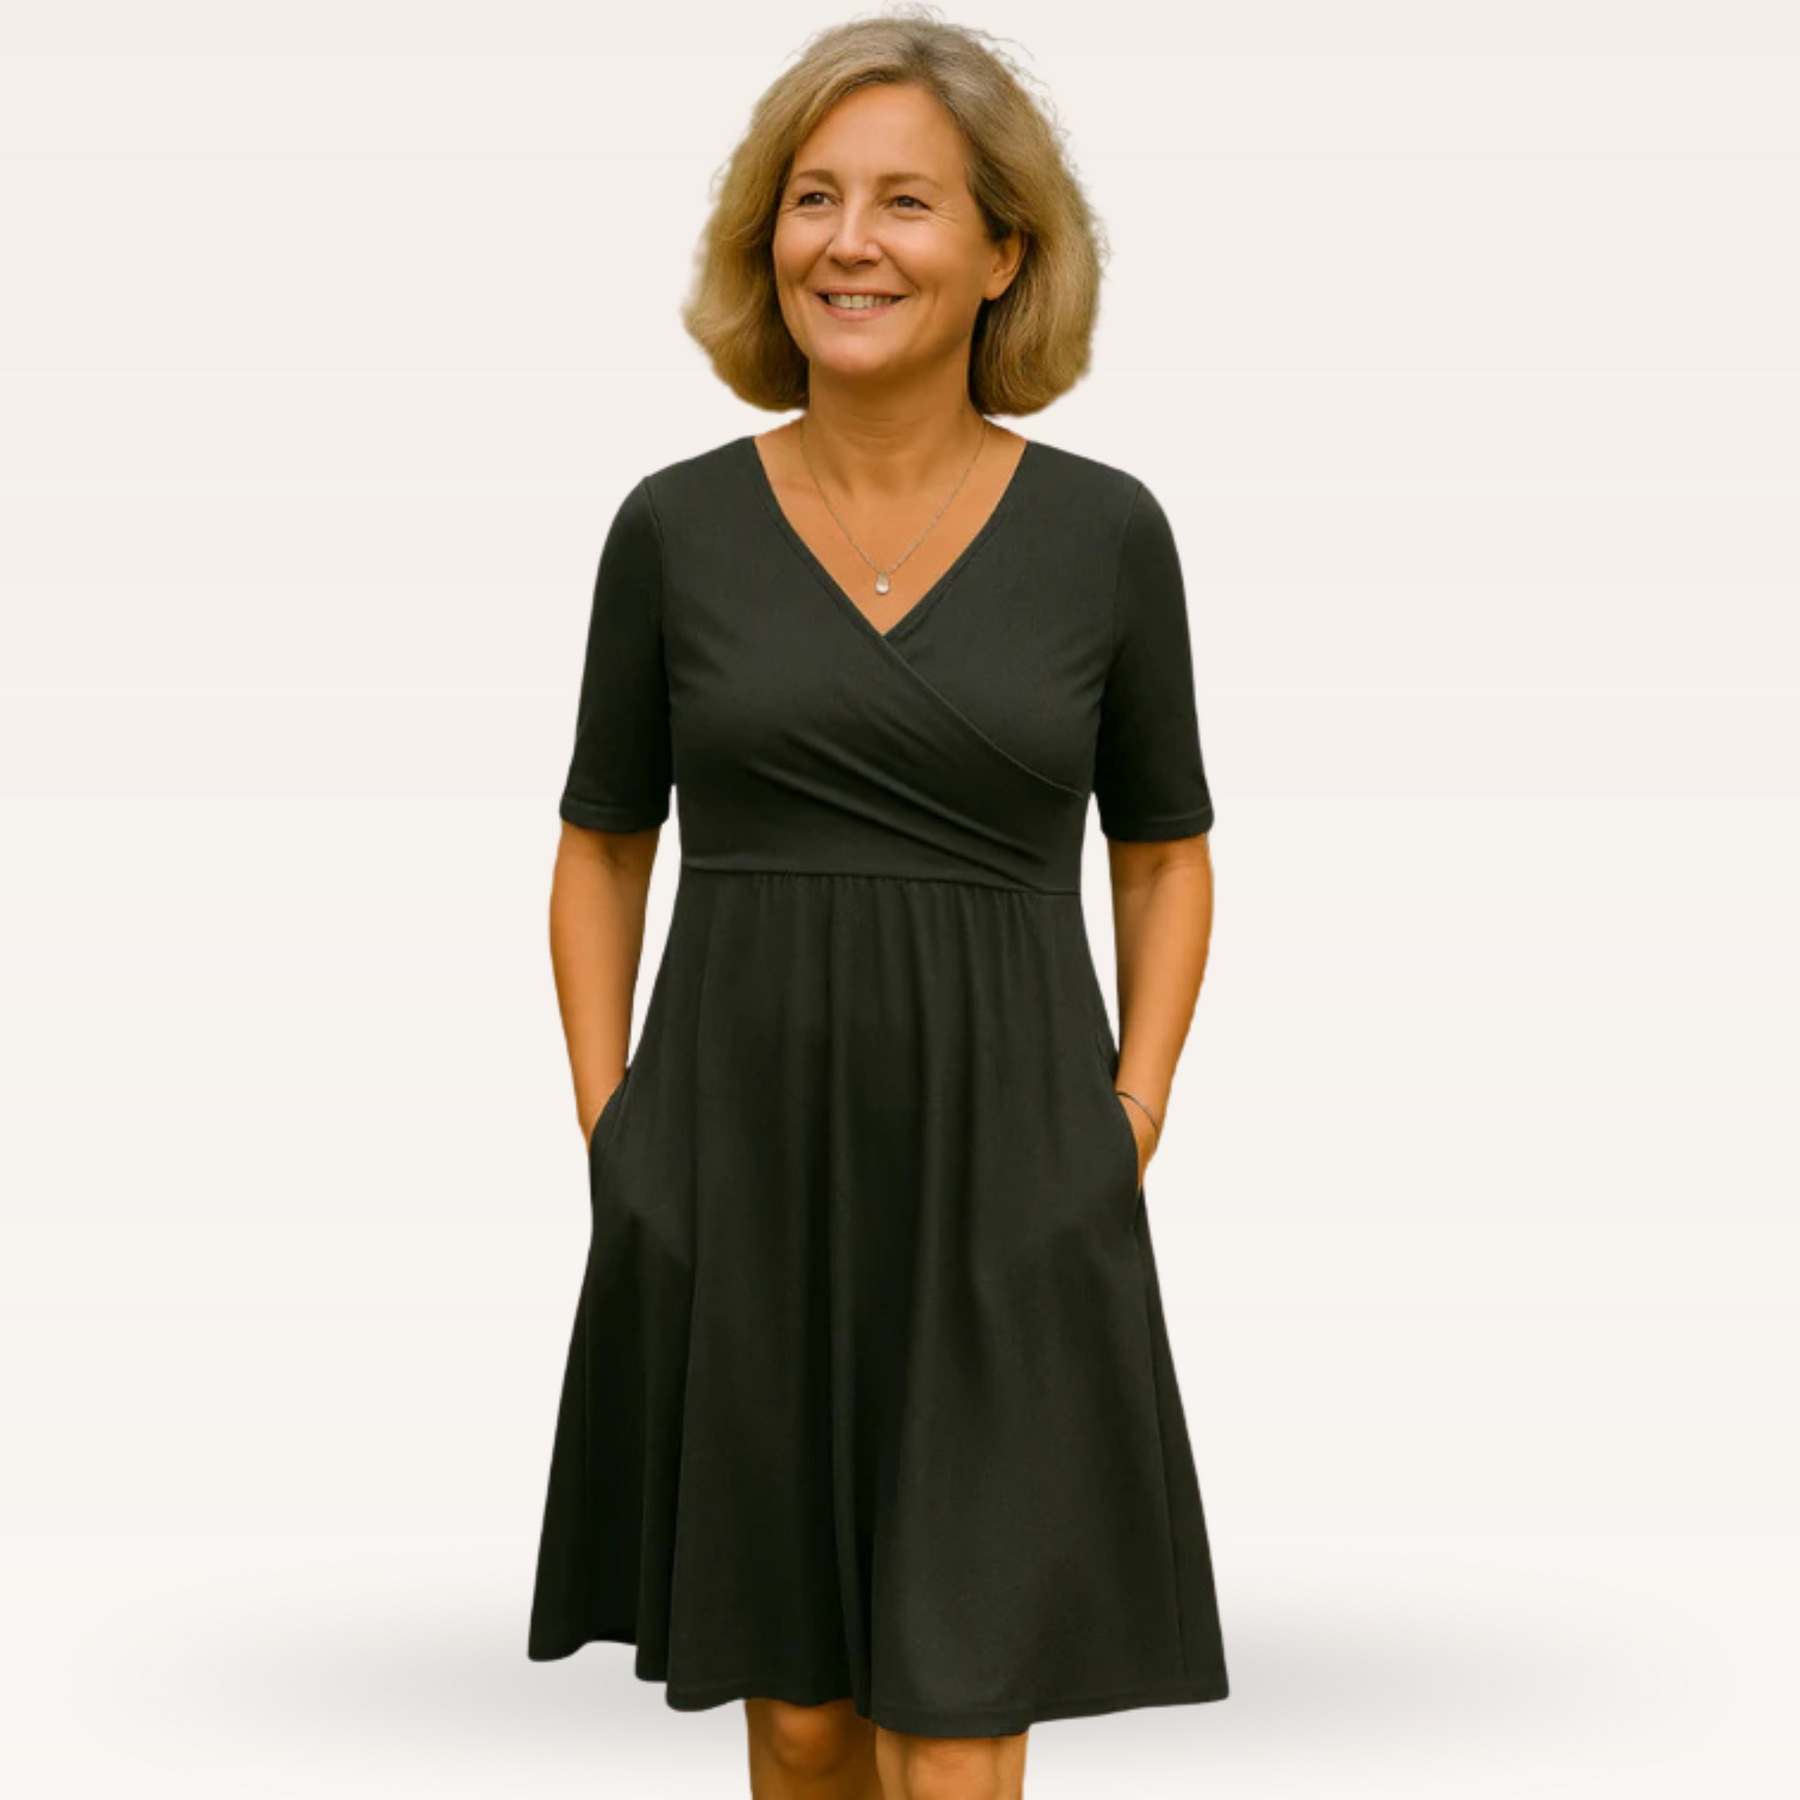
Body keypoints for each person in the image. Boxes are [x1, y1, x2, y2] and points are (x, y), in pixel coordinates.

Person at [527, 11, 1228, 1796]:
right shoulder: (674, 530)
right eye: (814, 196)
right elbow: (603, 841)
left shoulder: (1107, 537)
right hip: (736, 1167)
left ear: (1004, 253)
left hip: (1008, 1170)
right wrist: (618, 1128)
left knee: (956, 1709)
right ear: (766, 235)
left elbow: (1164, 851)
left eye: (907, 201)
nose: (851, 241)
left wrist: (1128, 1120)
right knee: (802, 1715)